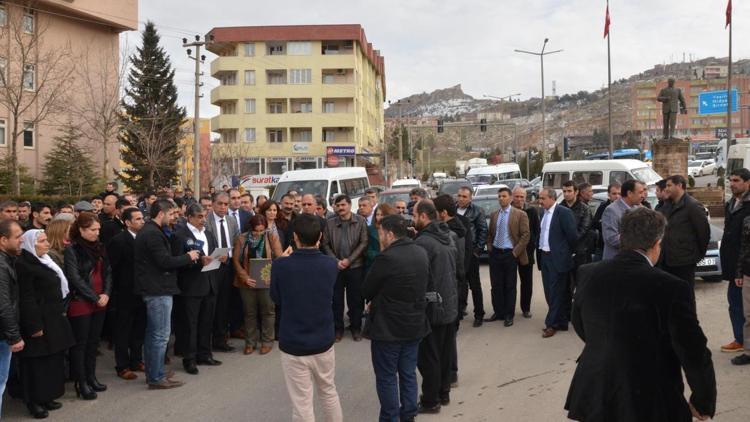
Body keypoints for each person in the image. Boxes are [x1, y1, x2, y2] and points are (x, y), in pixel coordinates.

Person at [565, 207, 716, 421]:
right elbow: (693, 350)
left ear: (623, 237)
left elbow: (580, 322)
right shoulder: (671, 287)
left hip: (596, 389)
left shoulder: (588, 273)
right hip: (649, 396)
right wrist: (703, 401)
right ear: (657, 244)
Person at [271, 213, 343, 422]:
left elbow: (276, 297)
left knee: (302, 403)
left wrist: (283, 259)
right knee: (328, 391)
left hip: (293, 342)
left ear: (294, 236)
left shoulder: (281, 265)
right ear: (320, 237)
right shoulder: (330, 264)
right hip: (323, 339)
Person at [363, 215, 430, 422]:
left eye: (381, 232)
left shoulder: (387, 258)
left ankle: (390, 417)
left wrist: (375, 299)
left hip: (388, 328)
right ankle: (409, 414)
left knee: (387, 377)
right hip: (414, 323)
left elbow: (367, 288)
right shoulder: (420, 251)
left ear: (390, 233)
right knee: (408, 373)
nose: (379, 236)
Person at [135, 199, 199, 390]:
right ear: (161, 213)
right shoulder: (152, 233)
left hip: (156, 288)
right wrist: (189, 256)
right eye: (171, 214)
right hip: (158, 290)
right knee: (160, 336)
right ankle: (156, 377)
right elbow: (164, 261)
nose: (174, 218)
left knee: (153, 335)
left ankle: (155, 372)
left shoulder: (152, 231)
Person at [16, 230, 75, 418]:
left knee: (52, 360)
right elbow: (27, 298)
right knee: (37, 364)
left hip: (54, 318)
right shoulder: (24, 265)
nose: (47, 244)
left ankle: (48, 396)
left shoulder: (45, 261)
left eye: (46, 240)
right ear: (30, 245)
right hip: (38, 321)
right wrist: (34, 325)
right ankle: (34, 401)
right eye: (41, 241)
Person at [413, 200, 458, 413]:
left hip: (432, 307)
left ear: (423, 216)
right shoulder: (449, 236)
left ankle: (431, 400)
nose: (412, 219)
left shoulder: (423, 242)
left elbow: (419, 277)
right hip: (449, 303)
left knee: (428, 356)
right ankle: (444, 393)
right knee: (444, 352)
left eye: (414, 215)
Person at [64, 213, 112, 400]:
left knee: (93, 343)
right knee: (80, 344)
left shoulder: (100, 247)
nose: (97, 233)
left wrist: (106, 293)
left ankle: (91, 377)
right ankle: (80, 381)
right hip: (82, 302)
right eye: (93, 230)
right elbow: (74, 278)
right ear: (81, 230)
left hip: (101, 300)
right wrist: (94, 297)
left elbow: (108, 272)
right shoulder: (72, 250)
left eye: (98, 229)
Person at [171, 204, 224, 375]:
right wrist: (196, 263)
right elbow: (176, 262)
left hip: (210, 283)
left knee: (206, 322)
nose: (203, 220)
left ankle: (204, 354)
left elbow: (214, 253)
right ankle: (190, 359)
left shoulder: (208, 233)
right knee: (190, 325)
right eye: (200, 217)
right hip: (191, 287)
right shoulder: (180, 236)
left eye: (204, 216)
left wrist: (221, 257)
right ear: (190, 217)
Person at [233, 214, 283, 355]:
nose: (259, 234)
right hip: (247, 282)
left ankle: (267, 341)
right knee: (249, 313)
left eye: (262, 230)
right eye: (256, 231)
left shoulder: (271, 237)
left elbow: (279, 258)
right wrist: (244, 277)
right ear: (250, 229)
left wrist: (271, 275)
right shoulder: (242, 238)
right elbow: (236, 260)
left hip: (266, 281)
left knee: (268, 311)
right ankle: (250, 343)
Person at [321, 194, 368, 342]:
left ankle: (355, 328)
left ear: (349, 205)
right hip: (336, 267)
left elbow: (364, 242)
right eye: (338, 205)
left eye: (343, 205)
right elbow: (325, 244)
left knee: (356, 300)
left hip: (355, 266)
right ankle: (338, 329)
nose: (340, 208)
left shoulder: (360, 221)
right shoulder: (330, 223)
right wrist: (336, 261)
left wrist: (349, 260)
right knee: (337, 301)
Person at [107, 207, 146, 381]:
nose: (142, 221)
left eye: (142, 218)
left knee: (139, 328)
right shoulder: (118, 241)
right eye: (137, 219)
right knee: (123, 331)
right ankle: (122, 366)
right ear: (127, 222)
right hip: (124, 293)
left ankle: (136, 360)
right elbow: (112, 269)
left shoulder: (145, 237)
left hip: (143, 291)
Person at [657, 175, 710, 301]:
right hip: (666, 260)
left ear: (679, 185)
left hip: (684, 262)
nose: (667, 189)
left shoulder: (693, 206)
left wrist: (696, 255)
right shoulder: (667, 205)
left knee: (685, 297)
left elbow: (703, 233)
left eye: (669, 185)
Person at [486, 187, 530, 326]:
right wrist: (490, 248)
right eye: (499, 196)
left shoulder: (520, 214)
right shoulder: (494, 214)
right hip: (496, 253)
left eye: (504, 196)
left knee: (510, 286)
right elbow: (490, 234)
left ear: (510, 198)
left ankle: (508, 315)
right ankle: (498, 312)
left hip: (510, 254)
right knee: (496, 285)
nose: (501, 198)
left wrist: (515, 252)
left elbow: (525, 235)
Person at [537, 188, 577, 338]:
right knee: (549, 292)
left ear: (552, 198)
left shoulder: (563, 213)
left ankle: (552, 324)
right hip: (545, 256)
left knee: (555, 292)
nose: (540, 202)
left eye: (543, 198)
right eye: (539, 198)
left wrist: (565, 253)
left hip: (558, 259)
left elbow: (572, 236)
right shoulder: (543, 213)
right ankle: (561, 321)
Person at [205, 192, 240, 352]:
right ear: (213, 204)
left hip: (228, 268)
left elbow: (236, 243)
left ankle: (221, 339)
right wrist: (219, 256)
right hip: (211, 267)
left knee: (224, 305)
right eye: (220, 204)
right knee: (210, 304)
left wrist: (230, 257)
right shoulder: (206, 221)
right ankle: (206, 341)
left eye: (226, 204)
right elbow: (205, 244)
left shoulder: (232, 221)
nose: (223, 207)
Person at [720, 168, 750, 353]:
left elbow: (746, 243)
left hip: (744, 266)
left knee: (741, 306)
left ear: (748, 182)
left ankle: (742, 341)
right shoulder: (732, 203)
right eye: (731, 180)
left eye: (736, 180)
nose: (732, 184)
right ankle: (740, 338)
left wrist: (740, 271)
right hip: (733, 264)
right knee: (735, 303)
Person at [0, 220, 24, 419]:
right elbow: (3, 304)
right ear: (3, 240)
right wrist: (14, 336)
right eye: (17, 237)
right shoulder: (1, 266)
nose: (21, 241)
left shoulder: (8, 260)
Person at [455, 186, 487, 327]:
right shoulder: (453, 210)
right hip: (456, 253)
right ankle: (459, 310)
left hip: (470, 253)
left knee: (475, 285)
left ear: (470, 198)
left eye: (464, 196)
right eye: (459, 196)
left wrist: (477, 251)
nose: (461, 199)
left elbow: (483, 231)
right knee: (459, 284)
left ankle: (479, 314)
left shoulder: (477, 211)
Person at [512, 187, 539, 318]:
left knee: (527, 282)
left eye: (521, 197)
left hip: (526, 252)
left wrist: (530, 247)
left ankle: (526, 308)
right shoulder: (507, 210)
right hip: (510, 252)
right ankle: (508, 308)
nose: (519, 199)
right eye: (516, 196)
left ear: (526, 197)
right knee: (510, 282)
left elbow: (535, 231)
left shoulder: (531, 211)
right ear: (512, 196)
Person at [601, 180, 645, 260]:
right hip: (616, 261)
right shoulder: (611, 210)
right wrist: (639, 238)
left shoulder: (638, 208)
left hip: (633, 261)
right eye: (640, 192)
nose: (643, 196)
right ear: (629, 193)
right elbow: (611, 239)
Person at [559, 181, 593, 275]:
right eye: (564, 191)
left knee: (580, 281)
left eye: (569, 191)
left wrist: (570, 241)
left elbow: (583, 229)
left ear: (576, 192)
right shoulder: (558, 208)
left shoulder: (585, 209)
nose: (566, 194)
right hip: (562, 252)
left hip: (580, 252)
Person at [591, 183, 620, 261]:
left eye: (619, 194)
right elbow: (595, 223)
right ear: (609, 194)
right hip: (602, 246)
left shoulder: (624, 208)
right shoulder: (603, 207)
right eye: (614, 194)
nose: (617, 196)